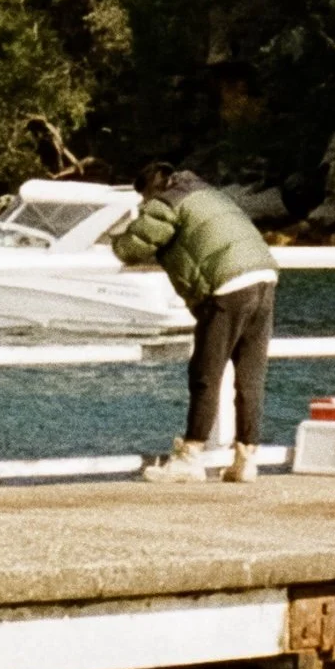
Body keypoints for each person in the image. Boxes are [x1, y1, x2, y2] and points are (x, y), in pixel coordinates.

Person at [111, 167, 276, 484]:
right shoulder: (210, 194)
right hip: (264, 277)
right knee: (250, 377)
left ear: (150, 189)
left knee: (205, 373)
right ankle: (246, 459)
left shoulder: (167, 202)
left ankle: (191, 455)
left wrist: (116, 239)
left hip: (227, 286)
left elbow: (132, 246)